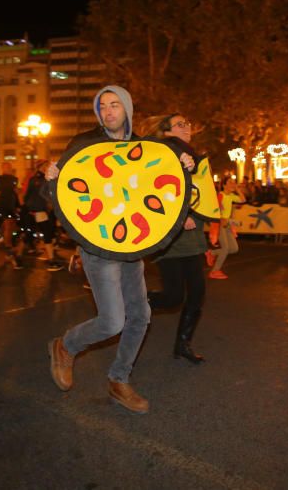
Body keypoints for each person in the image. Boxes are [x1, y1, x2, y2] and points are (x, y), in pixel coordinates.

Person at [47, 85, 192, 414]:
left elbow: (163, 180)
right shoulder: (84, 144)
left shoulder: (144, 148)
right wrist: (51, 176)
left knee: (141, 316)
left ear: (127, 109)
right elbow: (62, 192)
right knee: (112, 322)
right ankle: (65, 345)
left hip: (131, 244)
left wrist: (181, 163)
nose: (109, 111)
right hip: (97, 246)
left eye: (115, 105)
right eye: (103, 106)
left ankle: (119, 379)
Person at [144, 113, 208, 364]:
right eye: (181, 124)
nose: (187, 127)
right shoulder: (164, 152)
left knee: (197, 293)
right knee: (173, 297)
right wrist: (179, 217)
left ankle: (183, 344)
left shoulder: (189, 154)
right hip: (170, 236)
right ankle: (132, 303)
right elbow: (152, 188)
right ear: (167, 131)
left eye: (188, 122)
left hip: (191, 236)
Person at [25, 160, 64, 270]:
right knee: (47, 233)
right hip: (40, 210)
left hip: (39, 210)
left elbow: (27, 196)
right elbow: (41, 194)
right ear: (40, 167)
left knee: (48, 232)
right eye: (45, 165)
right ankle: (51, 261)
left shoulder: (36, 179)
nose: (47, 167)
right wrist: (50, 203)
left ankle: (16, 255)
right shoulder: (40, 179)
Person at [0, 161, 22, 268]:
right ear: (2, 168)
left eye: (9, 167)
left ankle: (0, 246)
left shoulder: (15, 180)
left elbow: (19, 190)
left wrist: (18, 192)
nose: (8, 168)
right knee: (7, 226)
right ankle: (8, 250)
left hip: (11, 207)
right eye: (6, 167)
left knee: (9, 228)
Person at [208, 177, 245, 280]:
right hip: (220, 224)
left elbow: (243, 199)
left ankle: (212, 253)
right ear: (224, 185)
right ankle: (214, 271)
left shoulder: (231, 196)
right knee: (225, 249)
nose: (233, 184)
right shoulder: (221, 195)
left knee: (234, 249)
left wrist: (237, 189)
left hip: (227, 224)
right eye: (230, 182)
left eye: (234, 182)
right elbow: (215, 210)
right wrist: (220, 218)